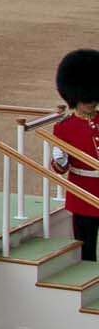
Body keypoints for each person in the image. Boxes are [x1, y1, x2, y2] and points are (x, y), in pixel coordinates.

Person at [51, 50, 99, 261]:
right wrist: (59, 160)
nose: (92, 103)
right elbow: (60, 169)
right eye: (87, 99)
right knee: (86, 249)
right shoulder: (64, 128)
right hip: (83, 193)